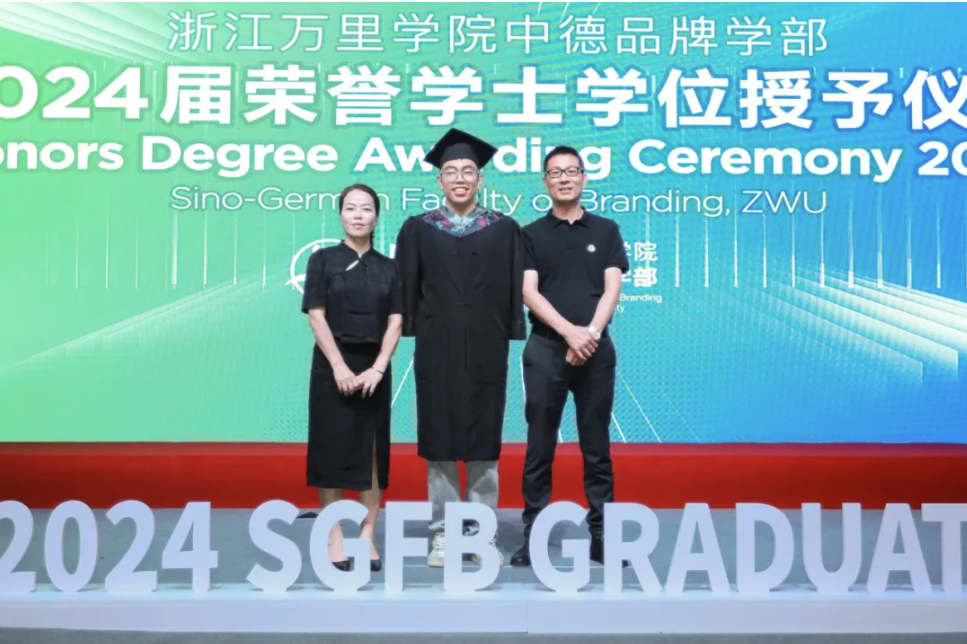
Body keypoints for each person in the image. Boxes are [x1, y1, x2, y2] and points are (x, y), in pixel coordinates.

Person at [395, 128, 526, 568]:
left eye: (468, 171)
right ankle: (444, 534)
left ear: (480, 179)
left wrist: (511, 327)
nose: (460, 179)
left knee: (484, 442)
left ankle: (481, 534)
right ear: (439, 180)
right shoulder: (419, 228)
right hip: (437, 347)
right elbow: (407, 287)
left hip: (487, 346)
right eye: (451, 171)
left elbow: (514, 289)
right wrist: (412, 328)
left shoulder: (504, 229)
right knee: (440, 441)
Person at [511, 146, 629, 568]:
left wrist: (590, 335)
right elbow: (528, 291)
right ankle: (533, 535)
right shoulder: (530, 233)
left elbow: (612, 287)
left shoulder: (606, 229)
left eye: (571, 171)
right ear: (545, 182)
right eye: (555, 172)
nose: (564, 178)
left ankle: (601, 536)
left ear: (583, 177)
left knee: (597, 446)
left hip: (596, 350)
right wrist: (569, 333)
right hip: (546, 348)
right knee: (539, 445)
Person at [301, 183, 403, 572]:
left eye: (366, 208)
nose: (358, 215)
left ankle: (368, 534)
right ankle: (333, 535)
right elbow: (316, 315)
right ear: (340, 215)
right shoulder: (322, 259)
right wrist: (339, 366)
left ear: (376, 216)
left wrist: (378, 366)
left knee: (372, 453)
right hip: (332, 366)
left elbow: (396, 319)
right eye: (350, 208)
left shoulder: (390, 267)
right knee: (331, 448)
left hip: (374, 369)